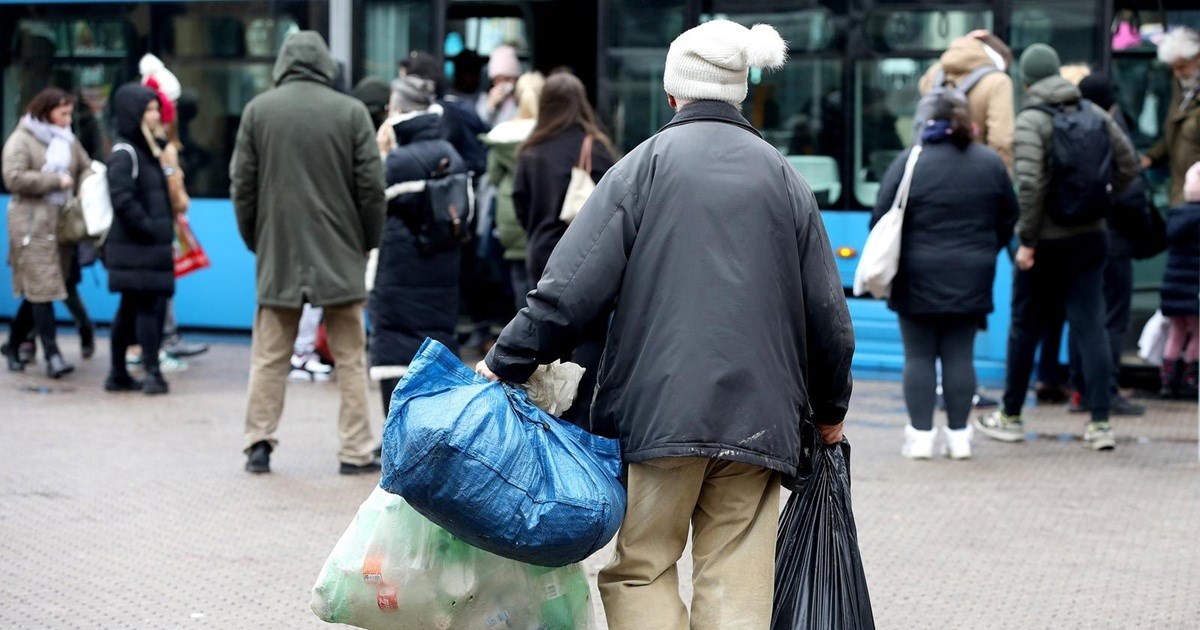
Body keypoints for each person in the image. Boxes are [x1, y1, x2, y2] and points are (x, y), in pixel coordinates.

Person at [477, 20, 854, 628]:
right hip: (761, 424)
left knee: (641, 567)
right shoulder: (785, 178)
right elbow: (830, 323)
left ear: (672, 94)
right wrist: (830, 411)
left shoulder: (641, 168)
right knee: (735, 577)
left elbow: (567, 292)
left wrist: (505, 361)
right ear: (740, 92)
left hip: (658, 415)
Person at [230, 31, 385, 475]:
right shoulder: (352, 112)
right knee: (351, 357)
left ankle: (259, 443)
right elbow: (371, 189)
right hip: (340, 251)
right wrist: (365, 241)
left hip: (279, 251)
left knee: (269, 356)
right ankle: (355, 450)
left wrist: (257, 241)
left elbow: (242, 186)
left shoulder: (259, 110)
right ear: (324, 66)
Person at [975, 44, 1137, 451]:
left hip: (1045, 242)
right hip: (1092, 237)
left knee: (1025, 326)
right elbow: (1129, 164)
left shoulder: (1031, 120)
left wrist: (1027, 241)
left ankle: (1011, 415)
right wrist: (1099, 202)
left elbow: (1029, 185)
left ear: (1027, 80)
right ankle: (1100, 424)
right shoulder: (1096, 114)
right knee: (1091, 325)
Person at [872, 94, 1017, 460]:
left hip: (915, 274)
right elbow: (1009, 218)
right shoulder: (989, 163)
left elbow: (881, 217)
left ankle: (920, 438)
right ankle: (959, 437)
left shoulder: (911, 161)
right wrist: (984, 250)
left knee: (918, 357)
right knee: (959, 356)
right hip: (973, 274)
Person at [512, 72, 617, 433]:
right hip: (591, 258)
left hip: (542, 254)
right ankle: (582, 420)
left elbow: (520, 205)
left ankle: (545, 422)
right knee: (588, 343)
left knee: (544, 335)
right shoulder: (596, 146)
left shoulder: (531, 150)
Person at [368, 75, 466, 418]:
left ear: (397, 110)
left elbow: (370, 208)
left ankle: (396, 433)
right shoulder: (452, 154)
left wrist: (383, 154)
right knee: (435, 348)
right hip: (442, 273)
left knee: (394, 354)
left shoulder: (396, 162)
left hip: (397, 276)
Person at [1063, 73, 1150, 416]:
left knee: (1082, 315)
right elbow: (1131, 192)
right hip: (1113, 239)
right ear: (1110, 102)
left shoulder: (1066, 126)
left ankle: (1078, 390)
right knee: (1113, 318)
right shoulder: (1111, 130)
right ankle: (1106, 391)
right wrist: (1142, 229)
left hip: (1077, 236)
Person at [2, 87, 92, 378]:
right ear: (46, 111)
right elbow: (13, 178)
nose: (68, 119)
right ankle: (52, 355)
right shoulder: (21, 139)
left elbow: (84, 167)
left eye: (69, 113)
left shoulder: (68, 140)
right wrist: (55, 181)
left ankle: (13, 344)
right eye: (62, 113)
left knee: (42, 290)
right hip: (31, 226)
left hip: (60, 226)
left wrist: (91, 182)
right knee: (41, 290)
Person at [101, 84, 176, 395]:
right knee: (147, 306)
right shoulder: (125, 152)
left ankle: (118, 373)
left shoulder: (151, 149)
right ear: (132, 113)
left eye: (156, 108)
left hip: (144, 245)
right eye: (148, 109)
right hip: (136, 245)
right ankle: (152, 373)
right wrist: (150, 228)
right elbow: (122, 198)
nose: (155, 115)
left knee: (132, 306)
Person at [139, 54, 209, 368]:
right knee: (153, 290)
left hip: (160, 225)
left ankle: (166, 339)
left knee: (160, 287)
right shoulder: (155, 149)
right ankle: (160, 343)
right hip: (154, 228)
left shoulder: (161, 144)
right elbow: (172, 194)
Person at [482, 71, 544, 309]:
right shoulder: (549, 133)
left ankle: (522, 335)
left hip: (509, 212)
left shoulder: (502, 134)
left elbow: (494, 177)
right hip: (542, 210)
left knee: (519, 276)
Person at [918, 30, 1015, 170]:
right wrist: (1002, 179)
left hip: (931, 170)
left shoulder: (936, 74)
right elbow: (1001, 140)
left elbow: (923, 88)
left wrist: (963, 46)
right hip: (974, 173)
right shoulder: (998, 82)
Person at [1143, 27, 1200, 207]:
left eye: (1182, 67)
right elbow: (1175, 132)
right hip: (1180, 189)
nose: (1178, 74)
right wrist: (1152, 155)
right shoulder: (1180, 90)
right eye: (1173, 69)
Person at [1159, 162, 1200, 399]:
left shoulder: (1176, 215)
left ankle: (1167, 380)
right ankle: (1191, 377)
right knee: (1197, 332)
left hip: (1173, 287)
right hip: (1194, 287)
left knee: (1176, 332)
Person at [477, 45, 521, 127]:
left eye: (507, 78)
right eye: (498, 79)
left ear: (516, 78)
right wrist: (490, 105)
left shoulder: (521, 98)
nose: (503, 83)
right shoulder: (485, 97)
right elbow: (479, 123)